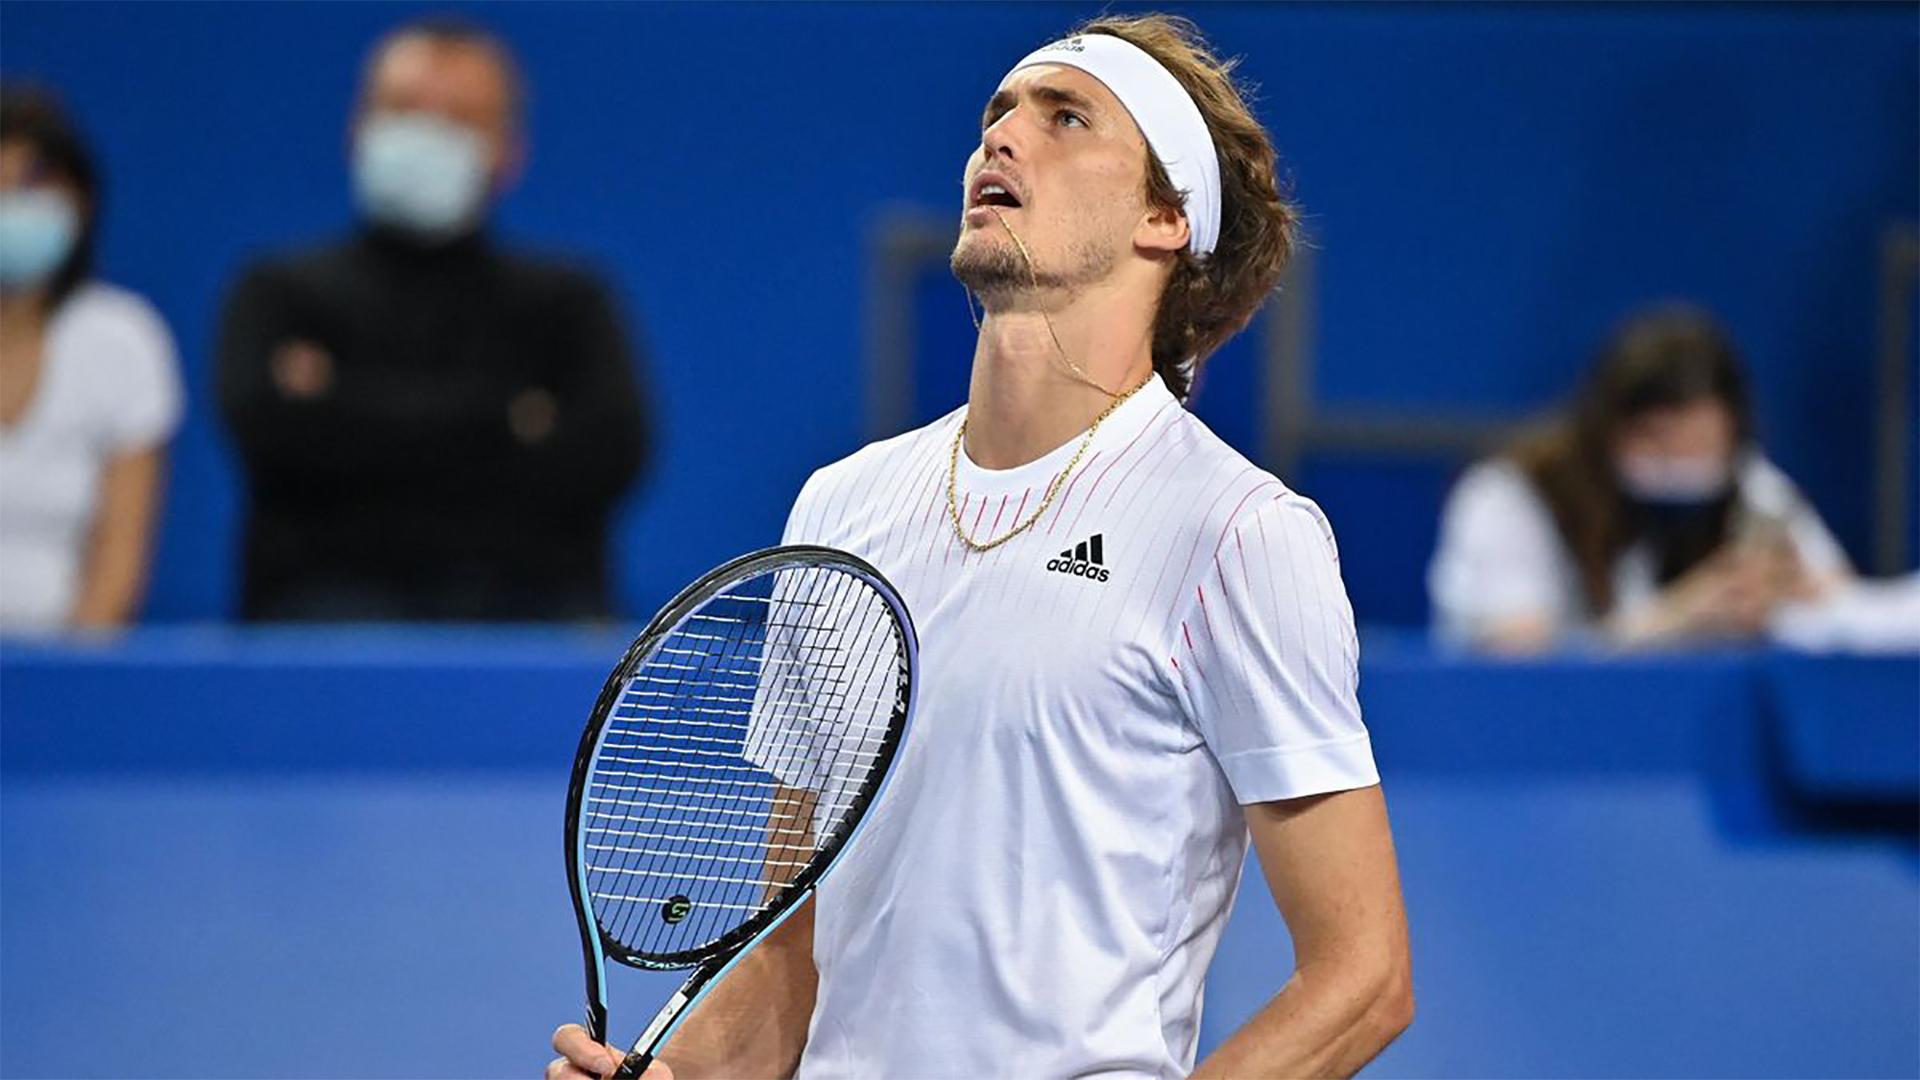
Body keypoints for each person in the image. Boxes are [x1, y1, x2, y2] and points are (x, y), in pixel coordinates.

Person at [550, 13, 1411, 1080]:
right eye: (997, 113)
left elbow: (1364, 977)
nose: (1001, 137)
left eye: (1066, 118)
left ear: (1164, 217)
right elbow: (791, 957)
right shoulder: (840, 507)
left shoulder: (1237, 533)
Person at [218, 18, 652, 622]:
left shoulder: (570, 303)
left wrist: (344, 402)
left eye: (459, 118)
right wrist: (509, 417)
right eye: (404, 109)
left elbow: (610, 457)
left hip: (532, 626)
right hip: (315, 631)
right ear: (356, 129)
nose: (427, 134)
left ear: (510, 152)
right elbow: (274, 440)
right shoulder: (277, 292)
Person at [1429, 304, 1851, 653]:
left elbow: (1841, 601)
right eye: (1659, 439)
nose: (1681, 464)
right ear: (1607, 425)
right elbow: (1515, 659)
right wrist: (1678, 617)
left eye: (1701, 444)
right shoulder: (1511, 495)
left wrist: (1793, 594)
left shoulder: (1755, 491)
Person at [0, 87, 183, 632]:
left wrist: (69, 673)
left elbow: (118, 559)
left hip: (65, 663)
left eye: (32, 184)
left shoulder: (122, 340)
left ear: (79, 200)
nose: (11, 204)